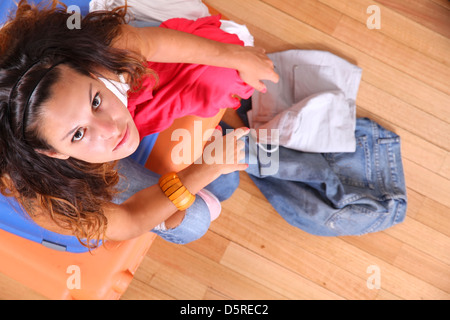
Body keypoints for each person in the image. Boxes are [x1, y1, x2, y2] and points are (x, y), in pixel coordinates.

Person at [0, 1, 279, 248]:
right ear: (53, 152)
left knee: (225, 181)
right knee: (195, 219)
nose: (112, 129)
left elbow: (151, 44)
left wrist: (238, 56)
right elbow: (128, 221)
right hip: (64, 169)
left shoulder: (101, 50)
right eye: (79, 133)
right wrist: (205, 170)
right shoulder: (42, 197)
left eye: (96, 101)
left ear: (91, 73)